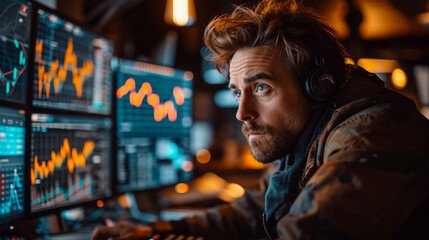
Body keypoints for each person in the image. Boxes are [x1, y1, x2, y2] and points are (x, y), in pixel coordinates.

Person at [91, 0, 429, 239]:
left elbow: (306, 232)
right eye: (238, 92)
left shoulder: (375, 132)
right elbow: (252, 210)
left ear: (317, 87)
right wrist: (161, 230)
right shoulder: (305, 138)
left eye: (262, 87)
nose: (242, 113)